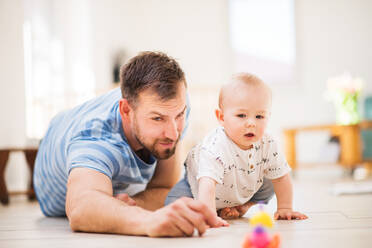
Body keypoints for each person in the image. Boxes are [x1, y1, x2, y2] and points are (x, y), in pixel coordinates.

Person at [33, 51, 227, 237]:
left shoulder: (175, 105)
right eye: (157, 119)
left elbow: (164, 186)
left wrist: (133, 204)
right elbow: (80, 208)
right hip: (51, 169)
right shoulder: (95, 136)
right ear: (126, 111)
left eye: (179, 115)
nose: (173, 132)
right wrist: (149, 221)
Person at [165, 73, 308, 221]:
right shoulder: (216, 146)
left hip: (241, 186)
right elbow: (207, 184)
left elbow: (282, 177)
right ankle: (215, 209)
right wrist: (209, 216)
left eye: (259, 116)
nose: (251, 123)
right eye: (241, 115)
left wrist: (285, 208)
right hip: (198, 187)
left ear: (268, 116)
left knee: (272, 180)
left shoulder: (268, 143)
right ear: (221, 117)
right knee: (173, 205)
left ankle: (242, 206)